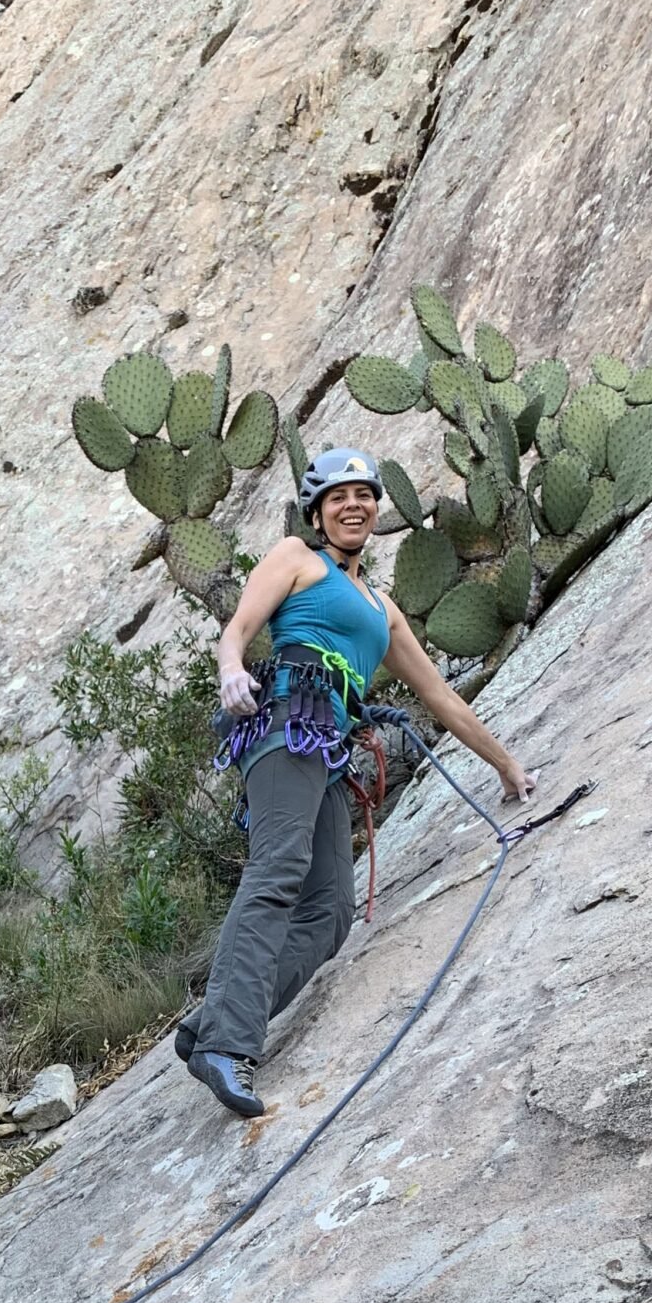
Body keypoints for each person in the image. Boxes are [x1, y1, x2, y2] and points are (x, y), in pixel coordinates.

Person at [180, 448, 536, 1119]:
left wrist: (505, 764)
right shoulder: (296, 557)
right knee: (278, 867)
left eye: (364, 495)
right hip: (285, 725)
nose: (353, 506)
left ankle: (210, 1025)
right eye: (337, 497)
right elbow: (238, 630)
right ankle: (228, 1045)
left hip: (329, 748)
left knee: (330, 911)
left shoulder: (383, 610)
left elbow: (441, 698)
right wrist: (231, 668)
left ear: (376, 509)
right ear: (317, 514)